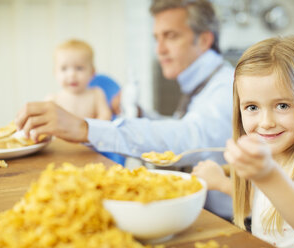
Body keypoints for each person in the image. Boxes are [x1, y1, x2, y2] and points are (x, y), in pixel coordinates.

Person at [15, 0, 234, 220]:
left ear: (204, 40)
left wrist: (85, 128)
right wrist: (140, 113)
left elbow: (190, 138)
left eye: (171, 36)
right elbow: (186, 127)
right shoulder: (201, 83)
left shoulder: (227, 87)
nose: (159, 50)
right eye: (156, 38)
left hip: (229, 221)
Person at [192, 35, 294, 247]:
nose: (266, 122)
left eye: (282, 106)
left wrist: (268, 175)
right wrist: (222, 184)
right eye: (252, 107)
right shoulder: (273, 157)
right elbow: (267, 203)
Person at [46, 39, 111, 121]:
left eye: (79, 68)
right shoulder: (53, 99)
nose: (72, 74)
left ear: (92, 72)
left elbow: (105, 116)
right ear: (55, 72)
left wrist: (94, 129)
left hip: (89, 133)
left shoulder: (96, 94)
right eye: (64, 69)